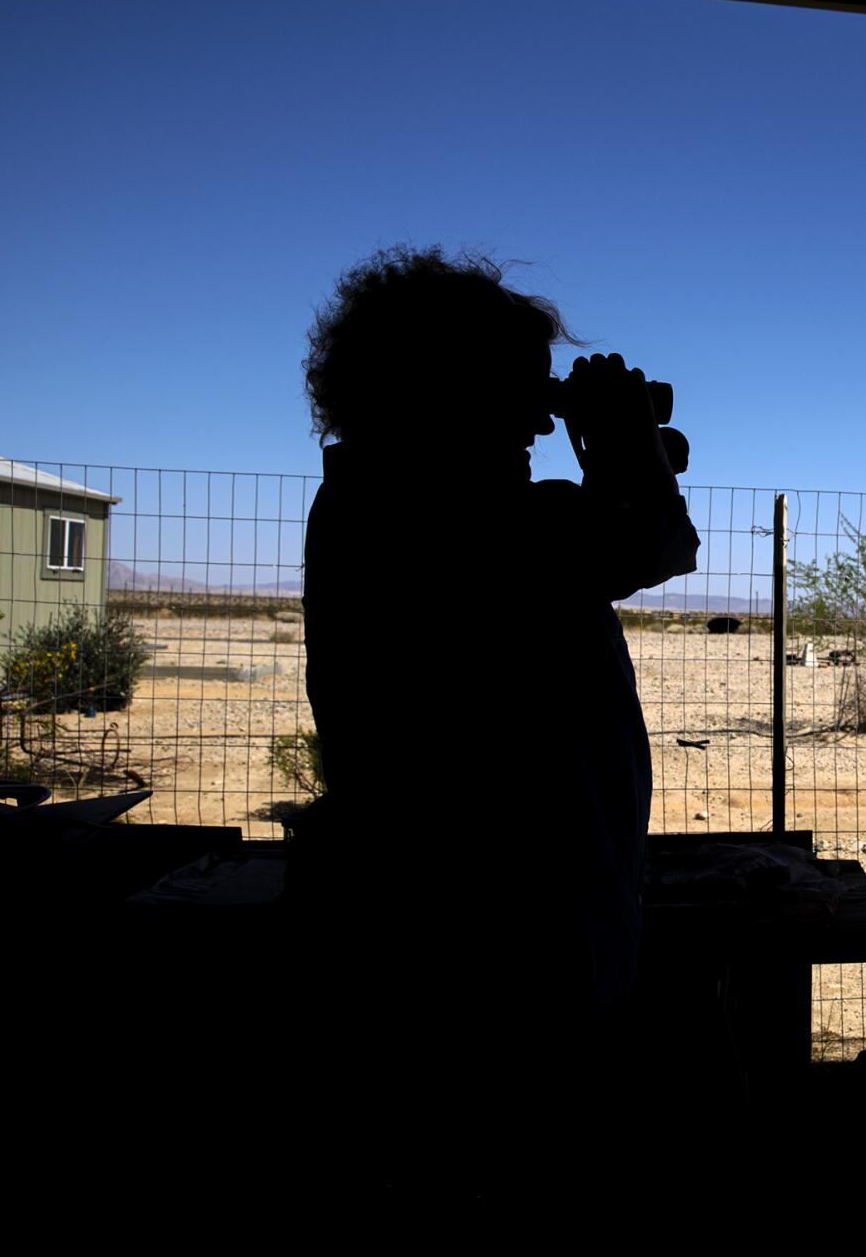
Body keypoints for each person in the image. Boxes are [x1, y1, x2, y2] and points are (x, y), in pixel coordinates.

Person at [291, 245, 697, 1207]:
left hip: (427, 919)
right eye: (520, 385)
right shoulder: (464, 513)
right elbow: (659, 540)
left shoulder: (361, 500)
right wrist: (623, 440)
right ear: (448, 384)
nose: (536, 410)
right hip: (513, 940)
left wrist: (615, 449)